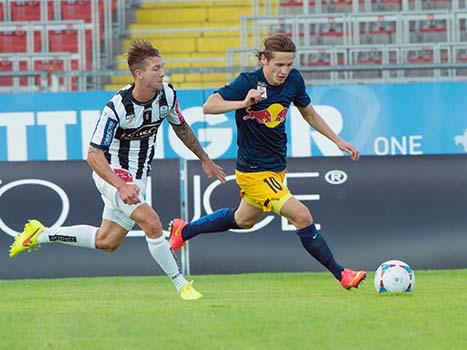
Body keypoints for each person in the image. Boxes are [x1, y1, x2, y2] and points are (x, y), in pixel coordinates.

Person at [9, 39, 226, 300]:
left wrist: (205, 159)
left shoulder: (167, 94)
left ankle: (41, 234)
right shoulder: (117, 107)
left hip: (138, 175)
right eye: (156, 68)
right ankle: (182, 286)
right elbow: (93, 155)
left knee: (107, 242)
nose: (162, 73)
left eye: (162, 67)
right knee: (152, 223)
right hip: (113, 173)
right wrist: (120, 186)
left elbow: (180, 127)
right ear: (139, 74)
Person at [168, 33, 366, 289]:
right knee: (302, 216)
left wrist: (337, 140)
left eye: (289, 64)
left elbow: (309, 113)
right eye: (279, 65)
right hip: (254, 172)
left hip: (276, 169)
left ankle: (183, 231)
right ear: (264, 60)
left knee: (243, 220)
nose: (284, 71)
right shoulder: (247, 82)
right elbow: (209, 106)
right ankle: (342, 275)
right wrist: (243, 102)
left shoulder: (294, 80)